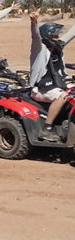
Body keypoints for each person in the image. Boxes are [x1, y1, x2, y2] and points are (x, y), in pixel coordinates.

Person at [29, 9, 75, 141]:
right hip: (41, 88)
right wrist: (34, 23)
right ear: (48, 36)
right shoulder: (39, 48)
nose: (58, 38)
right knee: (63, 96)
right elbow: (35, 36)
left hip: (55, 84)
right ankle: (47, 128)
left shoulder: (57, 46)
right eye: (55, 36)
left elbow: (72, 33)